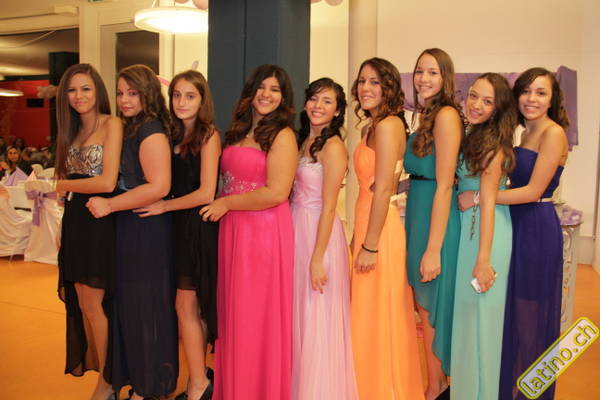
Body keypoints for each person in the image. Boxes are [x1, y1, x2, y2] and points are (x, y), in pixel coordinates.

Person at [459, 67, 569, 400]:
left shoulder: (553, 133)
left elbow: (534, 191)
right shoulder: (525, 132)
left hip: (536, 228)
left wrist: (480, 197)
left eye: (541, 92)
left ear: (552, 99)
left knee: (530, 319)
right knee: (513, 319)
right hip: (516, 224)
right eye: (526, 91)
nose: (531, 99)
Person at [199, 64, 296, 400]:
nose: (266, 95)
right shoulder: (237, 131)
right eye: (261, 87)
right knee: (235, 317)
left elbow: (277, 193)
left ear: (283, 98)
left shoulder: (282, 135)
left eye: (275, 89)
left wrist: (226, 203)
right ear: (251, 92)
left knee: (256, 316)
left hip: (263, 232)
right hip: (233, 230)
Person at [87, 64, 178, 400]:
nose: (125, 100)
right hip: (129, 223)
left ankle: (149, 387)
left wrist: (110, 205)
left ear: (148, 94)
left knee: (146, 308)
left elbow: (159, 185)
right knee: (130, 308)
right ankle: (138, 380)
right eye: (121, 93)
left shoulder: (151, 129)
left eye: (133, 93)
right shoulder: (131, 126)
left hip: (145, 226)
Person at [135, 70, 221, 400]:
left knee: (186, 305)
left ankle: (198, 383)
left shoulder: (209, 135)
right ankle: (198, 377)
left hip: (195, 228)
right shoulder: (169, 133)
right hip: (172, 228)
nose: (182, 102)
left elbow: (206, 192)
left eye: (190, 96)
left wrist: (163, 206)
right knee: (187, 308)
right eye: (177, 95)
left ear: (202, 100)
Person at [350, 57, 424, 400]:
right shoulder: (370, 126)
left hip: (380, 230)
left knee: (378, 313)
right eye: (362, 81)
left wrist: (370, 245)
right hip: (367, 221)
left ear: (389, 88)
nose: (366, 88)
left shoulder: (389, 125)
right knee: (366, 313)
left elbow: (384, 189)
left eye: (375, 82)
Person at [54, 63, 123, 400]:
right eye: (72, 90)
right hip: (75, 221)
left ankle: (108, 381)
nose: (78, 96)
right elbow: (69, 189)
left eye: (85, 89)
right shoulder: (70, 131)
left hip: (99, 220)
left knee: (95, 305)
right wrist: (62, 223)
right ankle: (106, 374)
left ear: (98, 91)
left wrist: (63, 184)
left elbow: (108, 182)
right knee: (83, 303)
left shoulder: (112, 124)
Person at [450, 73, 516, 399]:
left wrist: (484, 259)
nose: (476, 105)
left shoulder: (494, 146)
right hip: (470, 230)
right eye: (473, 95)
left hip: (486, 233)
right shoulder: (474, 135)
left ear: (498, 108)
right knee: (468, 318)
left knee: (481, 320)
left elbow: (488, 201)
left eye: (487, 101)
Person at [291, 78, 357, 400]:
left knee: (316, 314)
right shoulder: (302, 139)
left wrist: (317, 257)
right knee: (298, 314)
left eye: (327, 101)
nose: (318, 106)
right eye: (314, 99)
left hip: (320, 234)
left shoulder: (333, 147)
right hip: (295, 227)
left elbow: (330, 207)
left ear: (337, 111)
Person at [403, 48, 463, 400]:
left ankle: (435, 387)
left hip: (436, 219)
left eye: (432, 72)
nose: (423, 78)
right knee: (425, 309)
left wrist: (433, 249)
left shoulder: (446, 116)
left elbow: (444, 184)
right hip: (419, 211)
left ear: (445, 78)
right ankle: (436, 384)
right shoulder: (426, 115)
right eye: (419, 71)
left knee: (431, 307)